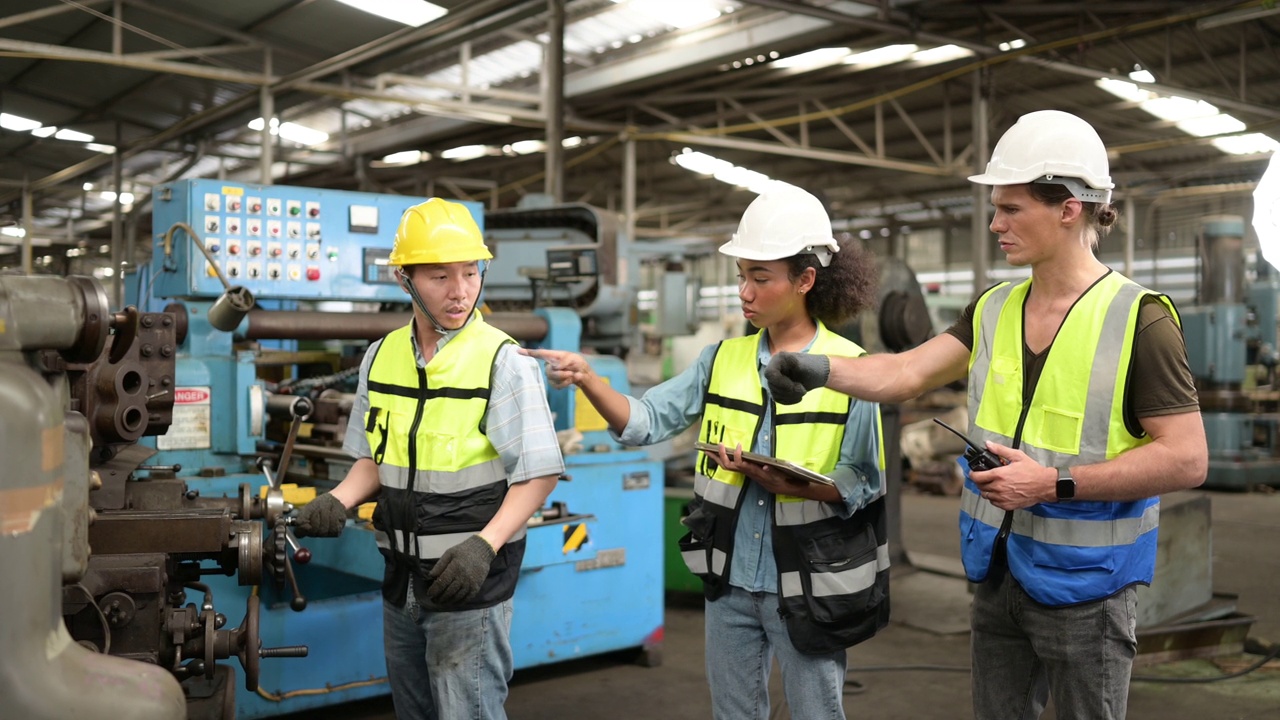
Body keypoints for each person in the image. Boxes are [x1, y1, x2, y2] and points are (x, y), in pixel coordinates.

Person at [765, 110, 1208, 720]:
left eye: (1011, 208)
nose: (994, 223)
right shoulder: (995, 307)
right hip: (998, 571)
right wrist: (819, 368)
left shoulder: (1140, 320)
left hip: (1088, 583)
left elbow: (1187, 458)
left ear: (1069, 208)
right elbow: (905, 372)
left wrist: (1053, 484)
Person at [525, 183, 888, 720]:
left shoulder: (852, 367)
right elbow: (646, 421)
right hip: (731, 580)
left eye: (759, 278)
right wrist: (588, 380)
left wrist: (802, 485)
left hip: (810, 581)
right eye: (741, 275)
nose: (743, 291)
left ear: (805, 280)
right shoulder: (720, 358)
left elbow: (864, 477)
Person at [293, 198, 563, 720]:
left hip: (470, 581)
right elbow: (376, 457)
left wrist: (484, 546)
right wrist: (339, 498)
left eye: (470, 272)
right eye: (440, 276)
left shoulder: (502, 361)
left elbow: (539, 472)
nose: (460, 291)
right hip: (402, 579)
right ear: (405, 278)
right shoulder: (381, 355)